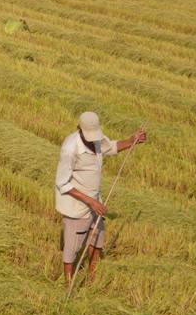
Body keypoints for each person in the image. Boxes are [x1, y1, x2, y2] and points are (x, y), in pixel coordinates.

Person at [55, 112, 146, 284]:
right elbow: (62, 183)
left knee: (97, 237)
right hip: (77, 206)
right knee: (72, 247)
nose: (92, 139)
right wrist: (90, 201)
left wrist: (132, 139)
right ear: (79, 129)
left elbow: (111, 147)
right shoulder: (70, 149)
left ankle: (92, 276)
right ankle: (68, 283)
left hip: (95, 200)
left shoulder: (96, 138)